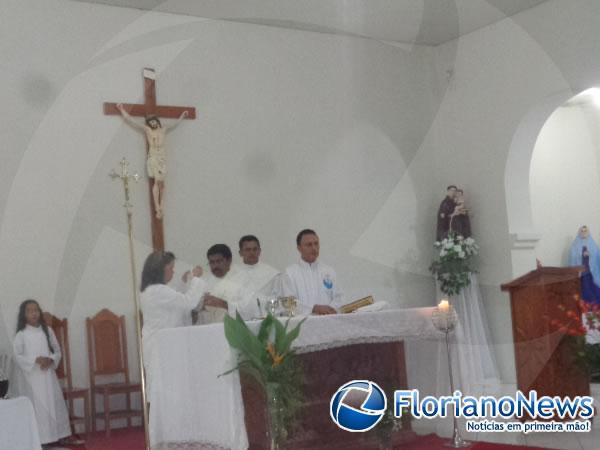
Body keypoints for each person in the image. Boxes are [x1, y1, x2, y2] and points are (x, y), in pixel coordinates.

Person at [140, 251, 205, 400]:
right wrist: (196, 279)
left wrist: (183, 283)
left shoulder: (153, 290)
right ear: (160, 269)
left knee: (169, 391)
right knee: (167, 392)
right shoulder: (157, 291)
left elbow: (175, 303)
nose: (173, 271)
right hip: (163, 347)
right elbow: (188, 302)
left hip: (163, 345)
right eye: (171, 268)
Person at [12, 299, 73, 446]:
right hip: (32, 378)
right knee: (37, 408)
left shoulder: (48, 331)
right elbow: (17, 356)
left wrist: (51, 360)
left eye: (36, 310)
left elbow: (57, 351)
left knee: (53, 404)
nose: (33, 313)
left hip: (48, 376)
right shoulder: (21, 334)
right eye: (29, 311)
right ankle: (40, 439)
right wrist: (35, 360)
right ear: (23, 315)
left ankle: (57, 435)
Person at [116, 103, 188, 219]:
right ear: (149, 124)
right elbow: (132, 121)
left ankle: (161, 206)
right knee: (157, 181)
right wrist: (122, 110)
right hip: (153, 157)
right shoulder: (148, 130)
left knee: (162, 184)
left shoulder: (163, 130)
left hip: (162, 158)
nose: (153, 123)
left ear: (157, 121)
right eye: (151, 122)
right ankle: (157, 207)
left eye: (154, 121)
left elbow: (174, 124)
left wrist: (182, 116)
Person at [282, 229, 344, 315]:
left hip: (329, 322)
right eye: (309, 245)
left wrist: (330, 309)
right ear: (299, 248)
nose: (314, 248)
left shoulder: (329, 271)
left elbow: (339, 297)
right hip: (303, 325)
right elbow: (289, 303)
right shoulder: (290, 273)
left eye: (316, 244)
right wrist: (313, 309)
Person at [193, 244, 246, 324]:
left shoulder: (242, 280)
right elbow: (193, 309)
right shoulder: (205, 281)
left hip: (232, 330)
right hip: (207, 330)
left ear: (229, 260)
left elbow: (249, 309)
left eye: (219, 261)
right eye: (212, 262)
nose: (215, 266)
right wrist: (201, 305)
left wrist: (224, 304)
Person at [232, 235, 279, 317]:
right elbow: (230, 302)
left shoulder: (271, 274)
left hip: (267, 319)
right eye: (247, 250)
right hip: (241, 321)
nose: (252, 253)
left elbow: (277, 299)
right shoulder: (232, 275)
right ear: (240, 253)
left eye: (255, 249)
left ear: (259, 251)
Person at [569, 225, 600, 306]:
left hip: (590, 270)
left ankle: (593, 305)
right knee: (582, 287)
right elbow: (573, 257)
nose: (584, 233)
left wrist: (590, 254)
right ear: (579, 232)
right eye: (582, 231)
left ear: (588, 232)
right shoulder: (574, 245)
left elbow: (597, 255)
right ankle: (584, 305)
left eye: (585, 231)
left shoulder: (593, 244)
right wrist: (581, 255)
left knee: (592, 286)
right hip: (581, 270)